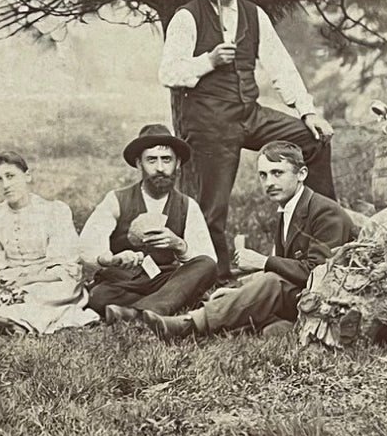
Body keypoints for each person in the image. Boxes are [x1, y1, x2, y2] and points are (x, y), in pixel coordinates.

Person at [159, 0, 338, 266]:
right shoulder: (187, 18)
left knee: (311, 142)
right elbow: (168, 73)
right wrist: (208, 62)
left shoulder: (254, 15)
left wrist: (307, 111)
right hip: (209, 122)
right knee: (212, 206)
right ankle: (215, 274)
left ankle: (326, 239)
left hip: (249, 114)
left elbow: (281, 66)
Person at [138, 143, 349, 340]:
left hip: (334, 301)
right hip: (302, 297)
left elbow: (319, 274)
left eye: (278, 173)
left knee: (270, 283)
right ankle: (275, 324)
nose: (269, 183)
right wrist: (240, 294)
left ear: (302, 174)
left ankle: (189, 325)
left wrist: (264, 262)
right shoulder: (288, 208)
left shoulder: (325, 212)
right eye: (263, 175)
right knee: (259, 306)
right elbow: (287, 273)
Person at [78, 124, 219, 320]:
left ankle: (137, 311)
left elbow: (208, 259)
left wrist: (179, 245)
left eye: (166, 160)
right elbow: (87, 246)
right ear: (139, 163)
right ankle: (161, 306)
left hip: (164, 280)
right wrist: (111, 259)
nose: (160, 168)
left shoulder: (188, 206)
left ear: (177, 163)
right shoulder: (117, 199)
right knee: (98, 296)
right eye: (151, 160)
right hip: (124, 281)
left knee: (206, 265)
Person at [0, 153, 88, 335]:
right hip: (10, 277)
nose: (5, 185)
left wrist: (26, 279)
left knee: (41, 294)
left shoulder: (54, 211)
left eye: (10, 176)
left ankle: (13, 324)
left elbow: (65, 268)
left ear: (27, 176)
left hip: (48, 279)